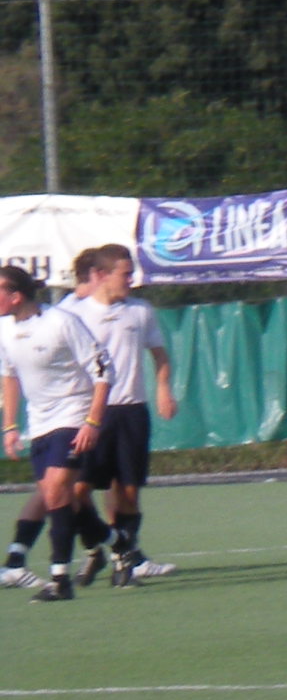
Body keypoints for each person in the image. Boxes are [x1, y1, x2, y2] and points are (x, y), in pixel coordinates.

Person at [63, 244, 178, 584]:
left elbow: (160, 355)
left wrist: (163, 389)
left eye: (132, 273)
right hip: (90, 415)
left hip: (131, 413)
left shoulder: (140, 311)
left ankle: (124, 562)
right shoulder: (75, 315)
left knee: (127, 492)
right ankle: (96, 548)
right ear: (101, 275)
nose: (131, 279)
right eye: (125, 274)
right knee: (78, 491)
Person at [0, 265, 110, 601]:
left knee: (57, 491)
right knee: (56, 495)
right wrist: (10, 425)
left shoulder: (61, 322)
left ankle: (60, 579)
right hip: (41, 422)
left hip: (73, 416)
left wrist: (92, 421)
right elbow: (10, 378)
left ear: (15, 296)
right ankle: (101, 539)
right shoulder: (4, 330)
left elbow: (103, 370)